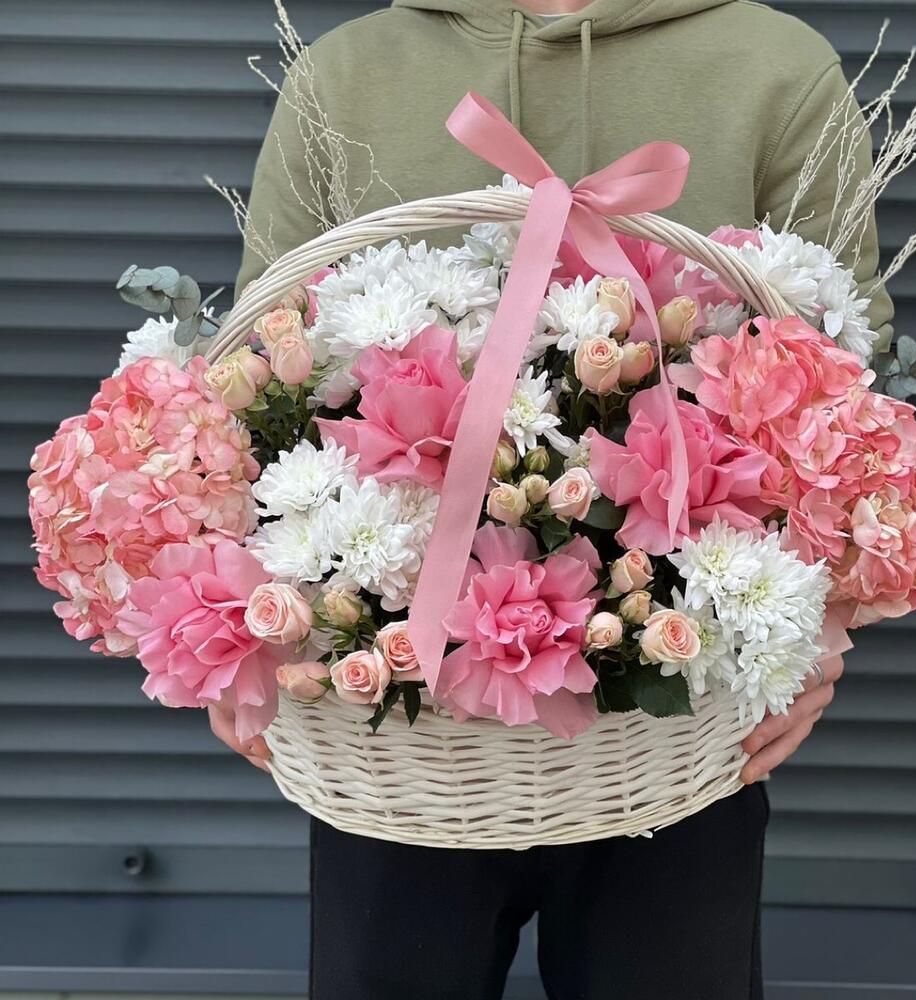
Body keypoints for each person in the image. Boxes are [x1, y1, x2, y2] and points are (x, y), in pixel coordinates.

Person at [212, 0, 881, 995]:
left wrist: (824, 627)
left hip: (678, 724)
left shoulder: (775, 67)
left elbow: (845, 396)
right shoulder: (346, 75)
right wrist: (228, 633)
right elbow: (247, 379)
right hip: (395, 736)